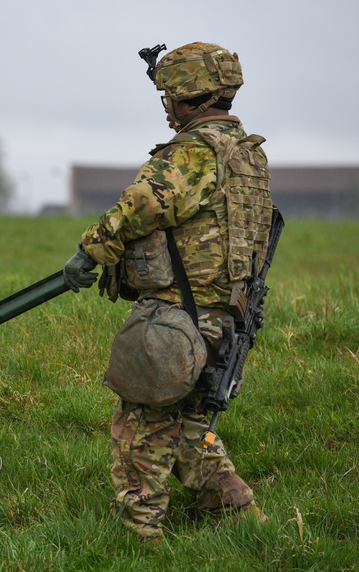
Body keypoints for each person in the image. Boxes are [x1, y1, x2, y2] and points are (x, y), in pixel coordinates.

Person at [62, 42, 273, 540]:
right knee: (192, 428)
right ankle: (242, 519)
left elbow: (141, 205)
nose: (166, 106)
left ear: (186, 95)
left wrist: (89, 251)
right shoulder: (247, 155)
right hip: (224, 316)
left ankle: (139, 535)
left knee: (141, 428)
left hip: (178, 317)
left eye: (168, 95)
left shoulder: (194, 153)